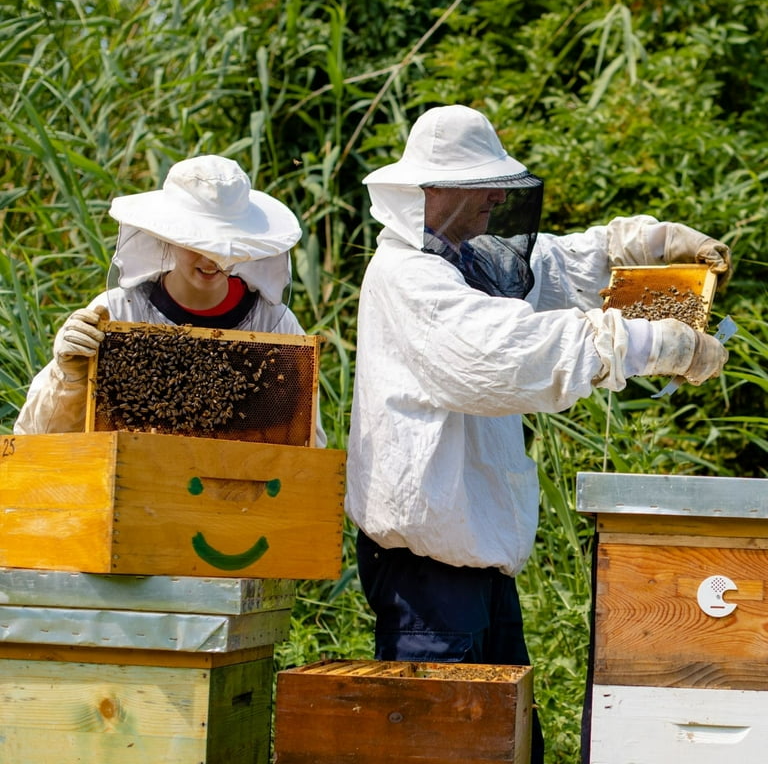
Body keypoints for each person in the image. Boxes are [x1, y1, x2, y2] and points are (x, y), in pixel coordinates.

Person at [344, 105, 731, 763]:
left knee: (505, 749)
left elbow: (552, 266)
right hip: (428, 577)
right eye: (482, 183)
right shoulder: (410, 278)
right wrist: (650, 342)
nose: (498, 196)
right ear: (435, 189)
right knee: (449, 749)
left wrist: (639, 243)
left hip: (478, 565)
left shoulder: (472, 260)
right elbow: (506, 352)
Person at [14, 154, 326, 446]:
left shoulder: (274, 323)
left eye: (226, 245)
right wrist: (69, 378)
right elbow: (37, 441)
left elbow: (306, 445)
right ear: (169, 238)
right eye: (197, 242)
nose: (212, 258)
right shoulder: (118, 312)